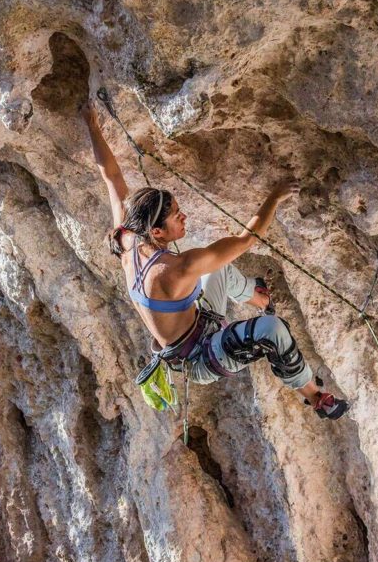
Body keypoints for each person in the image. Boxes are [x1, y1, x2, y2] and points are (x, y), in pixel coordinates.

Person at [81, 101, 347, 420]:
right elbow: (246, 240)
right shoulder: (175, 269)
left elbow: (111, 176)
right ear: (157, 231)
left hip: (200, 323)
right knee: (273, 330)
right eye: (176, 216)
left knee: (216, 264)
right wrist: (274, 197)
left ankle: (256, 296)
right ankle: (313, 394)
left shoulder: (127, 238)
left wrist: (92, 124)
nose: (184, 217)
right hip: (203, 358)